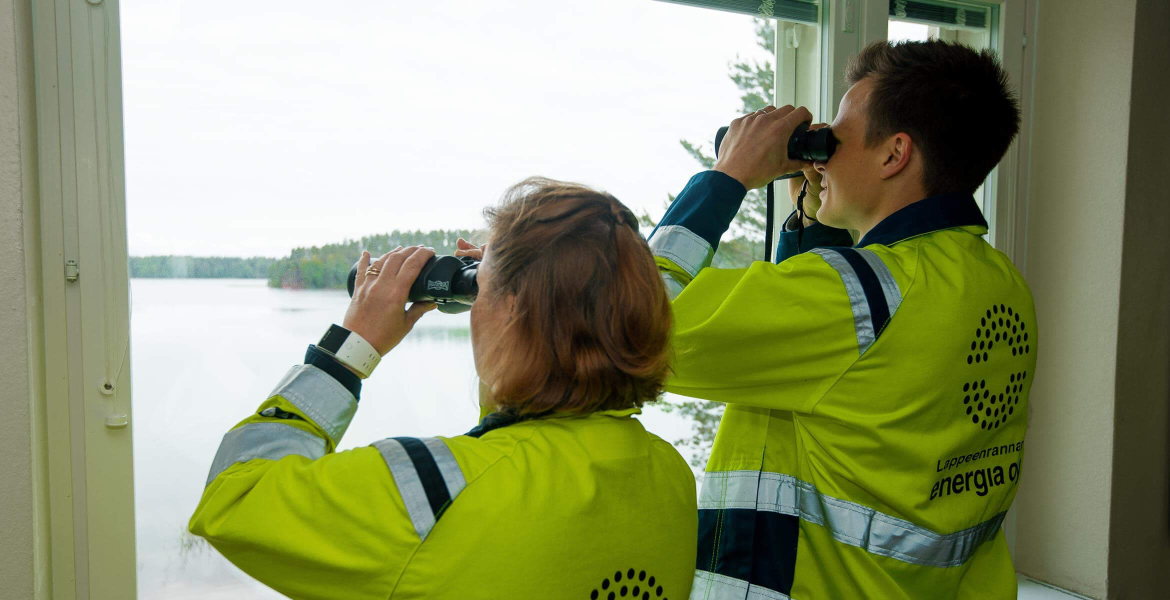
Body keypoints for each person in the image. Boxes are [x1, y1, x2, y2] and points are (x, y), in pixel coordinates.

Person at [648, 40, 1033, 599]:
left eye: (837, 139)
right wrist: (813, 214)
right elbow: (836, 372)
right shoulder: (1000, 282)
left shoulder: (861, 296)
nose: (821, 154)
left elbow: (629, 328)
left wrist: (726, 177)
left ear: (894, 154)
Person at [190, 178, 698, 599]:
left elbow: (234, 497)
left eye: (484, 288)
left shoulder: (434, 491)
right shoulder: (668, 476)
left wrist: (351, 347)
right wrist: (511, 285)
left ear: (512, 310)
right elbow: (525, 436)